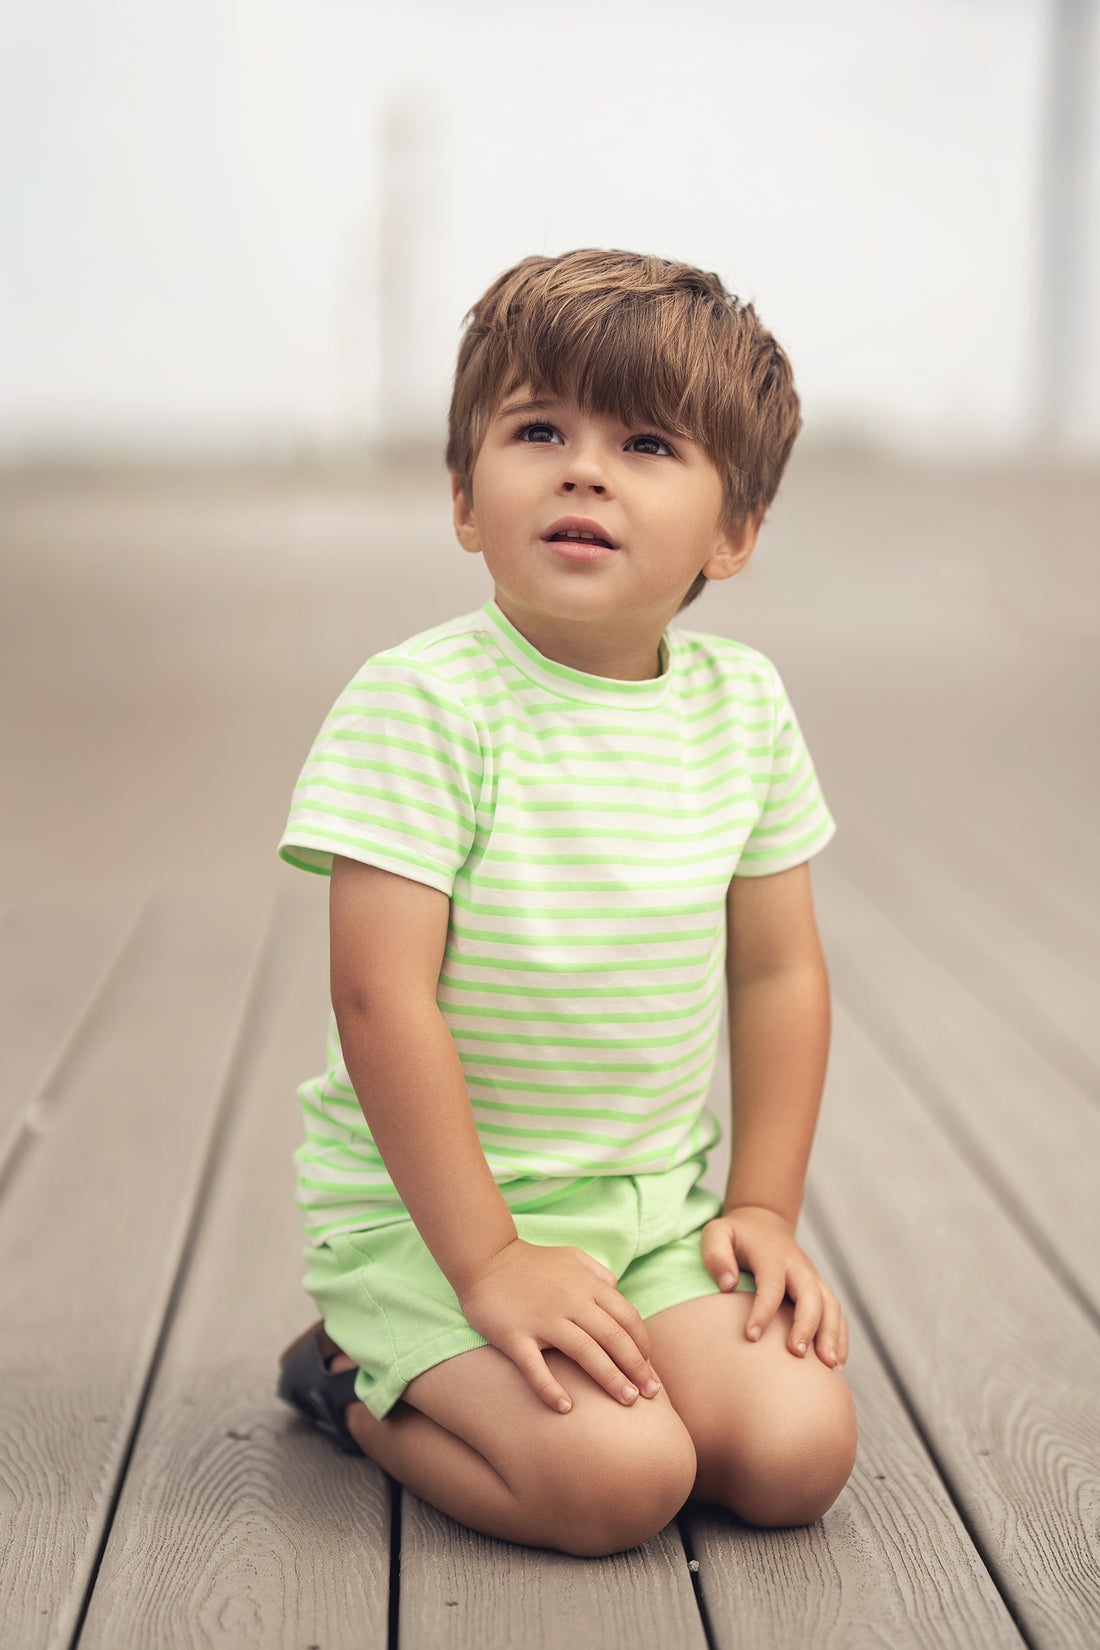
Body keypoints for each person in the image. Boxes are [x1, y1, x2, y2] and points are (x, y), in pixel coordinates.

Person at [276, 248, 857, 1556]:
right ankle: (352, 1379)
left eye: (647, 441)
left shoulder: (743, 710)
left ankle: (611, 1338)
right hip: (434, 1216)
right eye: (539, 429)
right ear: (468, 500)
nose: (584, 468)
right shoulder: (424, 704)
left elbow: (779, 973)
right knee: (617, 1481)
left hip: (649, 1212)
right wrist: (488, 1260)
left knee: (795, 1449)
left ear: (734, 531)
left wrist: (758, 1203)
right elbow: (380, 995)